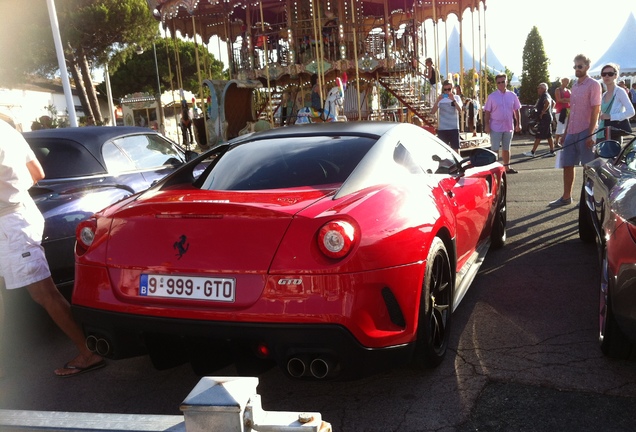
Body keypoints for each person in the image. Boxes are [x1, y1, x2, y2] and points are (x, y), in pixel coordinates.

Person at [0, 119, 104, 377]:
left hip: (11, 225)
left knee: (44, 293)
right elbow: (38, 173)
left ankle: (89, 352)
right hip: (18, 215)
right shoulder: (7, 129)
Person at [550, 54, 601, 206]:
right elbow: (572, 111)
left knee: (588, 167)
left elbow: (595, 110)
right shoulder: (575, 86)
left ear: (587, 67)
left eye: (580, 66)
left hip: (586, 130)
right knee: (567, 164)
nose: (577, 69)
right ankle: (566, 197)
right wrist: (565, 133)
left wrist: (591, 133)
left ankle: (588, 199)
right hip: (571, 131)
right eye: (575, 66)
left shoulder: (593, 84)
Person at [483, 74, 522, 173]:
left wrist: (519, 124)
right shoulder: (492, 97)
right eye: (499, 82)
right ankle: (494, 170)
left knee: (506, 148)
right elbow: (487, 112)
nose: (501, 84)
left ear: (506, 82)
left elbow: (517, 110)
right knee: (495, 149)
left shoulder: (512, 95)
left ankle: (507, 168)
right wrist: (486, 125)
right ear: (496, 84)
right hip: (495, 126)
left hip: (508, 126)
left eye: (503, 82)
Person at [596, 63, 634, 143]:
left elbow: (631, 112)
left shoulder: (620, 91)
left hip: (613, 134)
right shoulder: (604, 94)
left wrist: (611, 116)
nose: (606, 76)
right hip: (601, 133)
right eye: (604, 74)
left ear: (616, 76)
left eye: (610, 74)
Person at [524, 83, 555, 157]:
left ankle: (532, 152)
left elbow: (547, 102)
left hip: (544, 118)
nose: (538, 89)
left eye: (539, 88)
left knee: (539, 135)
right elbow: (553, 102)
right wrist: (550, 111)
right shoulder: (547, 95)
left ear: (543, 89)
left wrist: (543, 112)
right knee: (549, 135)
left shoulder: (544, 95)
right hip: (547, 118)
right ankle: (552, 151)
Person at [431, 80, 463, 152]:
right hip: (442, 129)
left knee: (456, 150)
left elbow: (460, 110)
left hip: (454, 128)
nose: (447, 91)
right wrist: (437, 101)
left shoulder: (457, 97)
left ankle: (458, 163)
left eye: (449, 89)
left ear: (452, 89)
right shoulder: (440, 98)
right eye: (445, 90)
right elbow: (432, 112)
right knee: (442, 151)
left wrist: (453, 100)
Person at [554, 77, 571, 147]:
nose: (567, 83)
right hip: (560, 110)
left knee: (566, 126)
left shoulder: (568, 90)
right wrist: (567, 100)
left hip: (567, 109)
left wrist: (564, 99)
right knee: (560, 125)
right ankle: (556, 141)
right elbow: (558, 100)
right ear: (562, 81)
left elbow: (571, 99)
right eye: (566, 81)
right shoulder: (558, 90)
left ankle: (563, 141)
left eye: (568, 82)